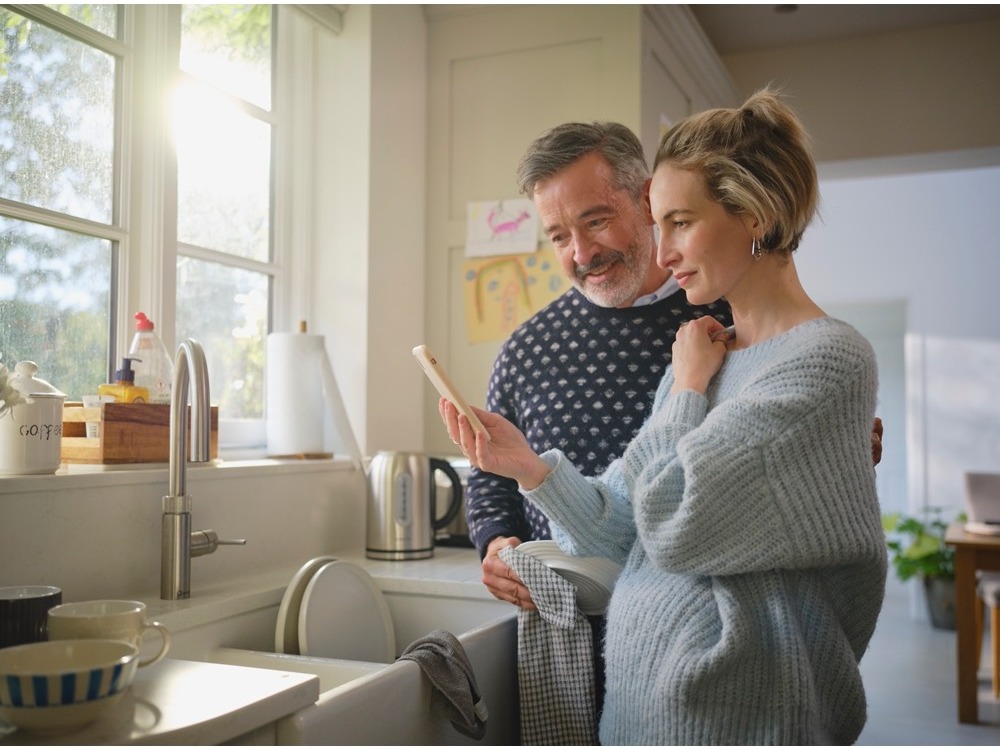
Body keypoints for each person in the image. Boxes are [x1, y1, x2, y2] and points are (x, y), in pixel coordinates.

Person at [442, 88, 887, 744]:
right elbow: (628, 527)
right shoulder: (701, 352)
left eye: (677, 222)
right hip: (637, 693)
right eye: (559, 235)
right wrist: (529, 474)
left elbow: (677, 519)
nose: (664, 249)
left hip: (733, 709)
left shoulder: (753, 347)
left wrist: (685, 391)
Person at [466, 122, 733, 608]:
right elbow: (492, 476)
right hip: (565, 630)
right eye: (559, 236)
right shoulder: (526, 350)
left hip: (695, 624)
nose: (582, 253)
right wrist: (496, 542)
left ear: (648, 199)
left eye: (595, 221)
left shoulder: (727, 319)